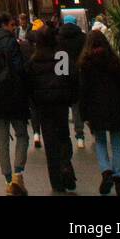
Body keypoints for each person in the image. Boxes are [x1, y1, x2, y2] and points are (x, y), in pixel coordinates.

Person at [0, 12, 31, 197]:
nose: (14, 27)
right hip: (15, 96)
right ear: (4, 25)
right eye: (12, 24)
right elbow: (19, 69)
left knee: (1, 141)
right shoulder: (12, 42)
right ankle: (18, 174)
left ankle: (8, 180)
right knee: (22, 135)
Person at [27, 26, 78, 194]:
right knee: (63, 136)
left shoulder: (35, 59)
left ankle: (56, 182)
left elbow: (30, 85)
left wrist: (34, 103)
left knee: (49, 144)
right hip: (60, 105)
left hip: (44, 107)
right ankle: (65, 164)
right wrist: (71, 98)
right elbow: (70, 78)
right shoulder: (61, 57)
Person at [78, 31, 120, 196]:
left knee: (100, 141)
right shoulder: (113, 61)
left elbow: (83, 91)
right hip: (115, 106)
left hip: (95, 108)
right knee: (117, 142)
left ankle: (106, 171)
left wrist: (83, 113)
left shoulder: (85, 63)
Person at [58, 15, 87, 149]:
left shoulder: (58, 38)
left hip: (64, 74)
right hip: (80, 74)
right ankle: (80, 134)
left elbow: (59, 60)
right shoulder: (83, 37)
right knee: (78, 105)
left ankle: (65, 136)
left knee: (64, 107)